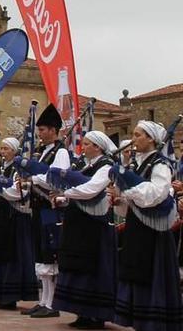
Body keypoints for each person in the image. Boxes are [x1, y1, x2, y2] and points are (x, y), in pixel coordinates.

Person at [109, 121, 183, 331]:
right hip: (136, 226)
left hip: (154, 231)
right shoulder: (137, 164)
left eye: (138, 135)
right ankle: (139, 322)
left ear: (151, 138)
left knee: (150, 274)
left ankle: (154, 323)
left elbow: (157, 194)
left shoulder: (160, 164)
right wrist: (120, 200)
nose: (133, 139)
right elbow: (132, 204)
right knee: (136, 272)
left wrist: (126, 191)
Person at [51, 130, 118, 330]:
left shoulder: (106, 167)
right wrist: (62, 199)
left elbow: (91, 189)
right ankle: (81, 311)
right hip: (78, 222)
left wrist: (64, 190)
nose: (84, 147)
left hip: (94, 225)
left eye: (87, 144)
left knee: (93, 267)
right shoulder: (83, 165)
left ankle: (96, 315)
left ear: (97, 147)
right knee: (77, 265)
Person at [24, 103, 71, 319]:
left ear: (53, 130)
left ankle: (51, 303)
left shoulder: (61, 152)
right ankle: (43, 300)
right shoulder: (43, 153)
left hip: (50, 209)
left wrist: (32, 177)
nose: (39, 134)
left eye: (42, 130)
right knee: (41, 253)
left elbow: (57, 179)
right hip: (38, 206)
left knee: (49, 254)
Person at [0, 137, 39, 310]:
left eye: (6, 149)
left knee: (11, 255)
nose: (3, 152)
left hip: (13, 217)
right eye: (1, 148)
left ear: (15, 152)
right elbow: (2, 192)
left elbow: (19, 194)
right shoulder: (2, 169)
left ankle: (10, 296)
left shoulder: (19, 170)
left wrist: (0, 189)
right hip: (0, 215)